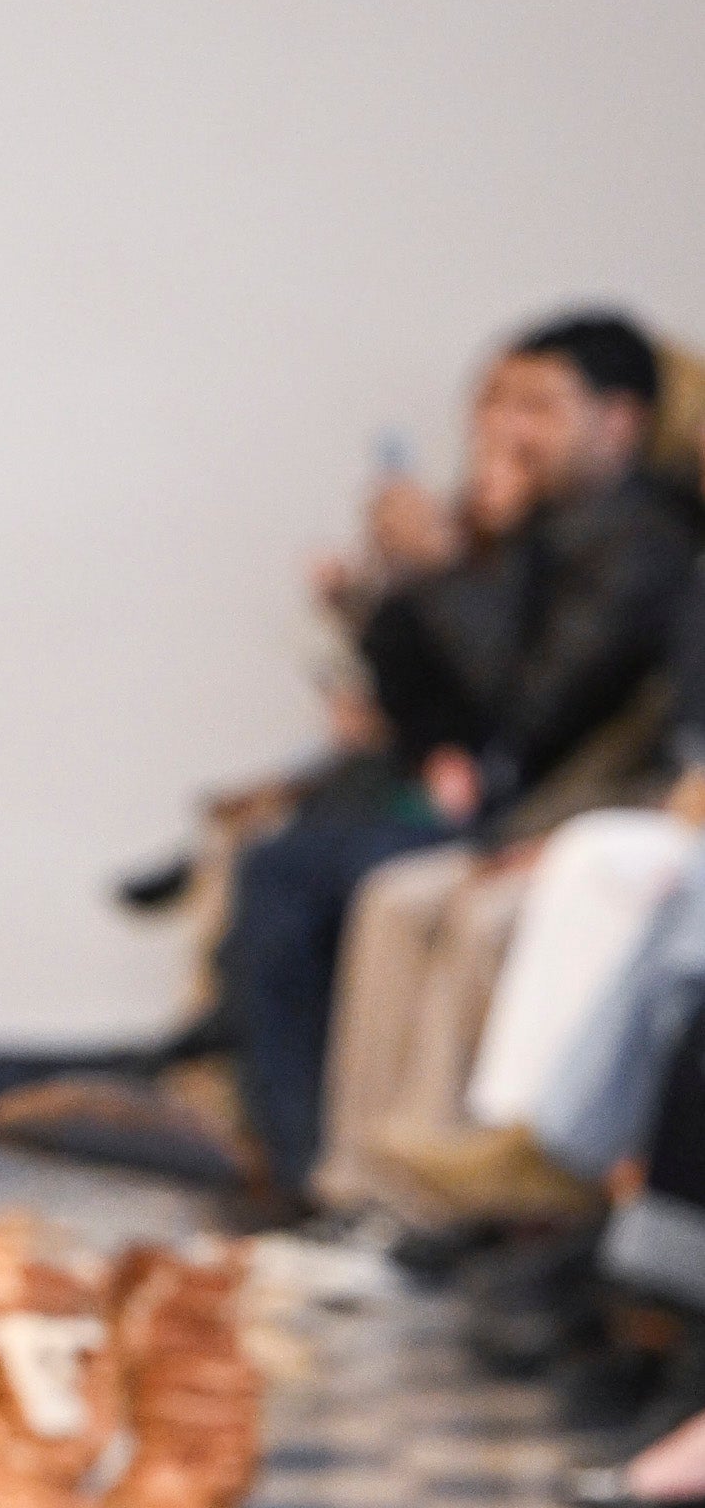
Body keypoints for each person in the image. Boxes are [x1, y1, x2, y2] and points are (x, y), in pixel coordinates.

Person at [222, 310, 697, 1206]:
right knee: (374, 892)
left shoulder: (641, 545)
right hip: (524, 808)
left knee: (406, 897)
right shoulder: (541, 532)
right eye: (497, 404)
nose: (506, 432)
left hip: (577, 815)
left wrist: (443, 566)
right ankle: (352, 1184)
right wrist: (392, 593)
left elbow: (527, 710)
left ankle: (451, 1191)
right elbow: (439, 697)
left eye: (537, 406)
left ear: (618, 421)